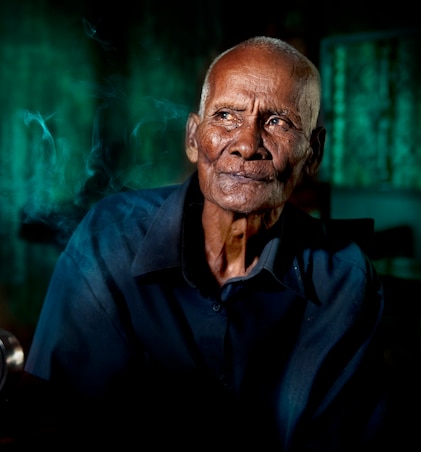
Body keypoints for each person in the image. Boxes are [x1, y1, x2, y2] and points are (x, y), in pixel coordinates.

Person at [22, 36, 386, 449]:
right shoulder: (110, 237)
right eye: (226, 116)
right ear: (194, 139)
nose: (247, 145)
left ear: (313, 152)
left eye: (278, 122)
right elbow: (60, 420)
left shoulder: (344, 280)